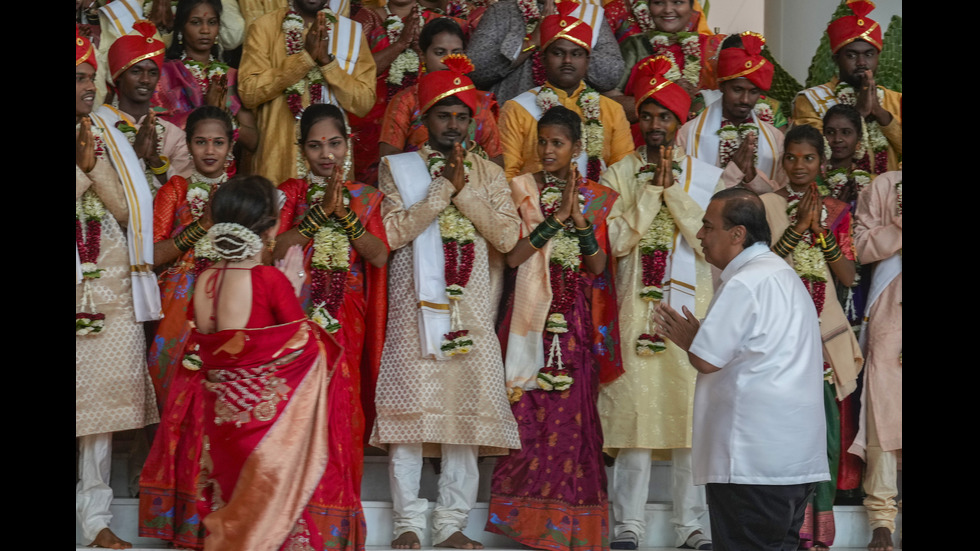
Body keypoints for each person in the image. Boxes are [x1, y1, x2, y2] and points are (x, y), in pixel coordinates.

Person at [372, 54, 522, 550]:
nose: (454, 125)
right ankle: (407, 525)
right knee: (409, 419)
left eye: (462, 116)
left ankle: (451, 526)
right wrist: (440, 191)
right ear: (424, 120)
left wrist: (465, 194)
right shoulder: (398, 168)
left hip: (471, 307)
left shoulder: (489, 173)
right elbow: (392, 232)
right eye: (443, 115)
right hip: (413, 308)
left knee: (464, 419)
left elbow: (506, 236)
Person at [655, 188, 830, 551]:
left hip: (751, 461)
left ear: (738, 234)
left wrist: (691, 339)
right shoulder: (781, 273)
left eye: (708, 226)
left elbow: (707, 358)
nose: (700, 235)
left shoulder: (745, 281)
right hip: (790, 460)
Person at [596, 56, 721, 551]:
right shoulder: (618, 173)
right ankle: (627, 527)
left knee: (691, 422)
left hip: (692, 314)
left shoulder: (705, 178)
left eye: (664, 117)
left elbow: (706, 242)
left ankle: (691, 529)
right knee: (635, 421)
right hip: (635, 311)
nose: (654, 126)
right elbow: (618, 242)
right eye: (646, 115)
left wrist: (675, 193)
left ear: (680, 122)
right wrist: (651, 193)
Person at [485, 105, 622, 551]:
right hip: (530, 319)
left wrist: (578, 220)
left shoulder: (596, 197)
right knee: (527, 415)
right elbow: (513, 257)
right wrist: (554, 220)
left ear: (577, 148)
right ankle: (526, 525)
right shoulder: (520, 190)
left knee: (572, 421)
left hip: (574, 321)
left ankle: (568, 527)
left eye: (557, 143)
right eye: (542, 142)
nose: (547, 150)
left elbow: (598, 264)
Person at [188, 175, 344, 549]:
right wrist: (291, 287)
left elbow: (218, 347)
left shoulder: (205, 279)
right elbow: (305, 347)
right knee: (272, 519)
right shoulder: (268, 279)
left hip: (221, 422)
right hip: (263, 428)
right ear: (271, 227)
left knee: (231, 511)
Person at [273, 104, 390, 547]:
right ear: (302, 150)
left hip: (346, 317)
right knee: (294, 412)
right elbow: (275, 248)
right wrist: (317, 215)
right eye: (316, 145)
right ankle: (290, 522)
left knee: (342, 410)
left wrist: (343, 215)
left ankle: (334, 522)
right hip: (296, 318)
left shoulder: (364, 197)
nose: (326, 154)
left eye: (334, 143)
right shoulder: (291, 192)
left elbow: (378, 254)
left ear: (347, 145)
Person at [77, 28, 161, 550]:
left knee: (99, 415)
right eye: (77, 78)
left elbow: (131, 211)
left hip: (105, 291)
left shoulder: (106, 131)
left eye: (90, 77)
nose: (88, 86)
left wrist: (93, 165)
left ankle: (95, 521)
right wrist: (81, 172)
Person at [762, 125, 864, 551]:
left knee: (823, 435)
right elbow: (762, 266)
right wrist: (795, 227)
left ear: (822, 163)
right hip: (779, 332)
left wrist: (818, 230)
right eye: (792, 158)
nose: (799, 166)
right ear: (782, 162)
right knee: (781, 431)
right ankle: (782, 528)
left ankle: (816, 536)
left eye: (808, 159)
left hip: (820, 334)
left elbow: (847, 276)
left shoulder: (838, 210)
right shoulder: (765, 204)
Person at [138, 106, 234, 549]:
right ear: (188, 146)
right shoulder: (174, 188)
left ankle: (216, 520)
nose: (209, 150)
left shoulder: (241, 192)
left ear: (231, 147)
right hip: (178, 311)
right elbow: (154, 254)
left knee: (220, 412)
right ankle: (176, 520)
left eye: (217, 142)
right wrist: (200, 227)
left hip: (230, 307)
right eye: (200, 142)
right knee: (174, 407)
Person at [239, 0, 376, 184]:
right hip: (278, 163)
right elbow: (249, 93)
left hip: (331, 165)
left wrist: (327, 63)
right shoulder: (264, 27)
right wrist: (304, 59)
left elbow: (364, 103)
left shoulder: (349, 32)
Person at [497, 0, 634, 181]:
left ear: (587, 60)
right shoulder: (516, 109)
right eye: (558, 53)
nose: (567, 60)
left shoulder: (611, 111)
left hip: (598, 207)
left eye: (576, 54)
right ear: (543, 59)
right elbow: (508, 176)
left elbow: (624, 175)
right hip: (533, 205)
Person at [851, 169, 902, 551]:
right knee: (882, 409)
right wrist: (899, 224)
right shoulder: (884, 186)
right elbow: (861, 247)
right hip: (890, 312)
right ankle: (881, 519)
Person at [377, 18, 504, 167]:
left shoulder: (479, 102)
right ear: (423, 56)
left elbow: (497, 161)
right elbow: (389, 159)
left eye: (456, 53)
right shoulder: (406, 101)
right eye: (440, 52)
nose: (448, 60)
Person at [793, 0, 901, 174]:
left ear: (878, 58)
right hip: (835, 195)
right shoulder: (810, 100)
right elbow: (812, 152)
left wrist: (880, 113)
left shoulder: (895, 99)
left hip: (887, 196)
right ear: (836, 59)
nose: (861, 63)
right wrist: (858, 114)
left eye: (869, 54)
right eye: (851, 55)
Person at [676, 31, 785, 194]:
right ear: (722, 86)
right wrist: (734, 172)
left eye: (753, 92)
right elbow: (683, 190)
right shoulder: (689, 134)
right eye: (738, 89)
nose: (745, 100)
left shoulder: (775, 139)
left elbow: (782, 194)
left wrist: (751, 177)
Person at [96, 20, 194, 193]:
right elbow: (95, 188)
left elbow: (184, 197)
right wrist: (135, 154)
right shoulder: (98, 126)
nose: (145, 80)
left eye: (153, 73)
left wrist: (155, 161)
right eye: (136, 71)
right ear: (118, 76)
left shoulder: (173, 134)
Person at [152, 0, 259, 156]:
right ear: (181, 27)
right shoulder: (165, 74)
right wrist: (207, 112)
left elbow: (253, 141)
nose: (205, 30)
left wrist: (224, 114)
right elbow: (155, 130)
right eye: (196, 23)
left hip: (222, 173)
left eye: (212, 22)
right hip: (176, 169)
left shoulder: (230, 76)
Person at [466, 0, 624, 104]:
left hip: (573, 126)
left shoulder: (589, 15)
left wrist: (569, 44)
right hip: (511, 121)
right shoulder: (503, 11)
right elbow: (475, 69)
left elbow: (612, 75)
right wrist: (531, 41)